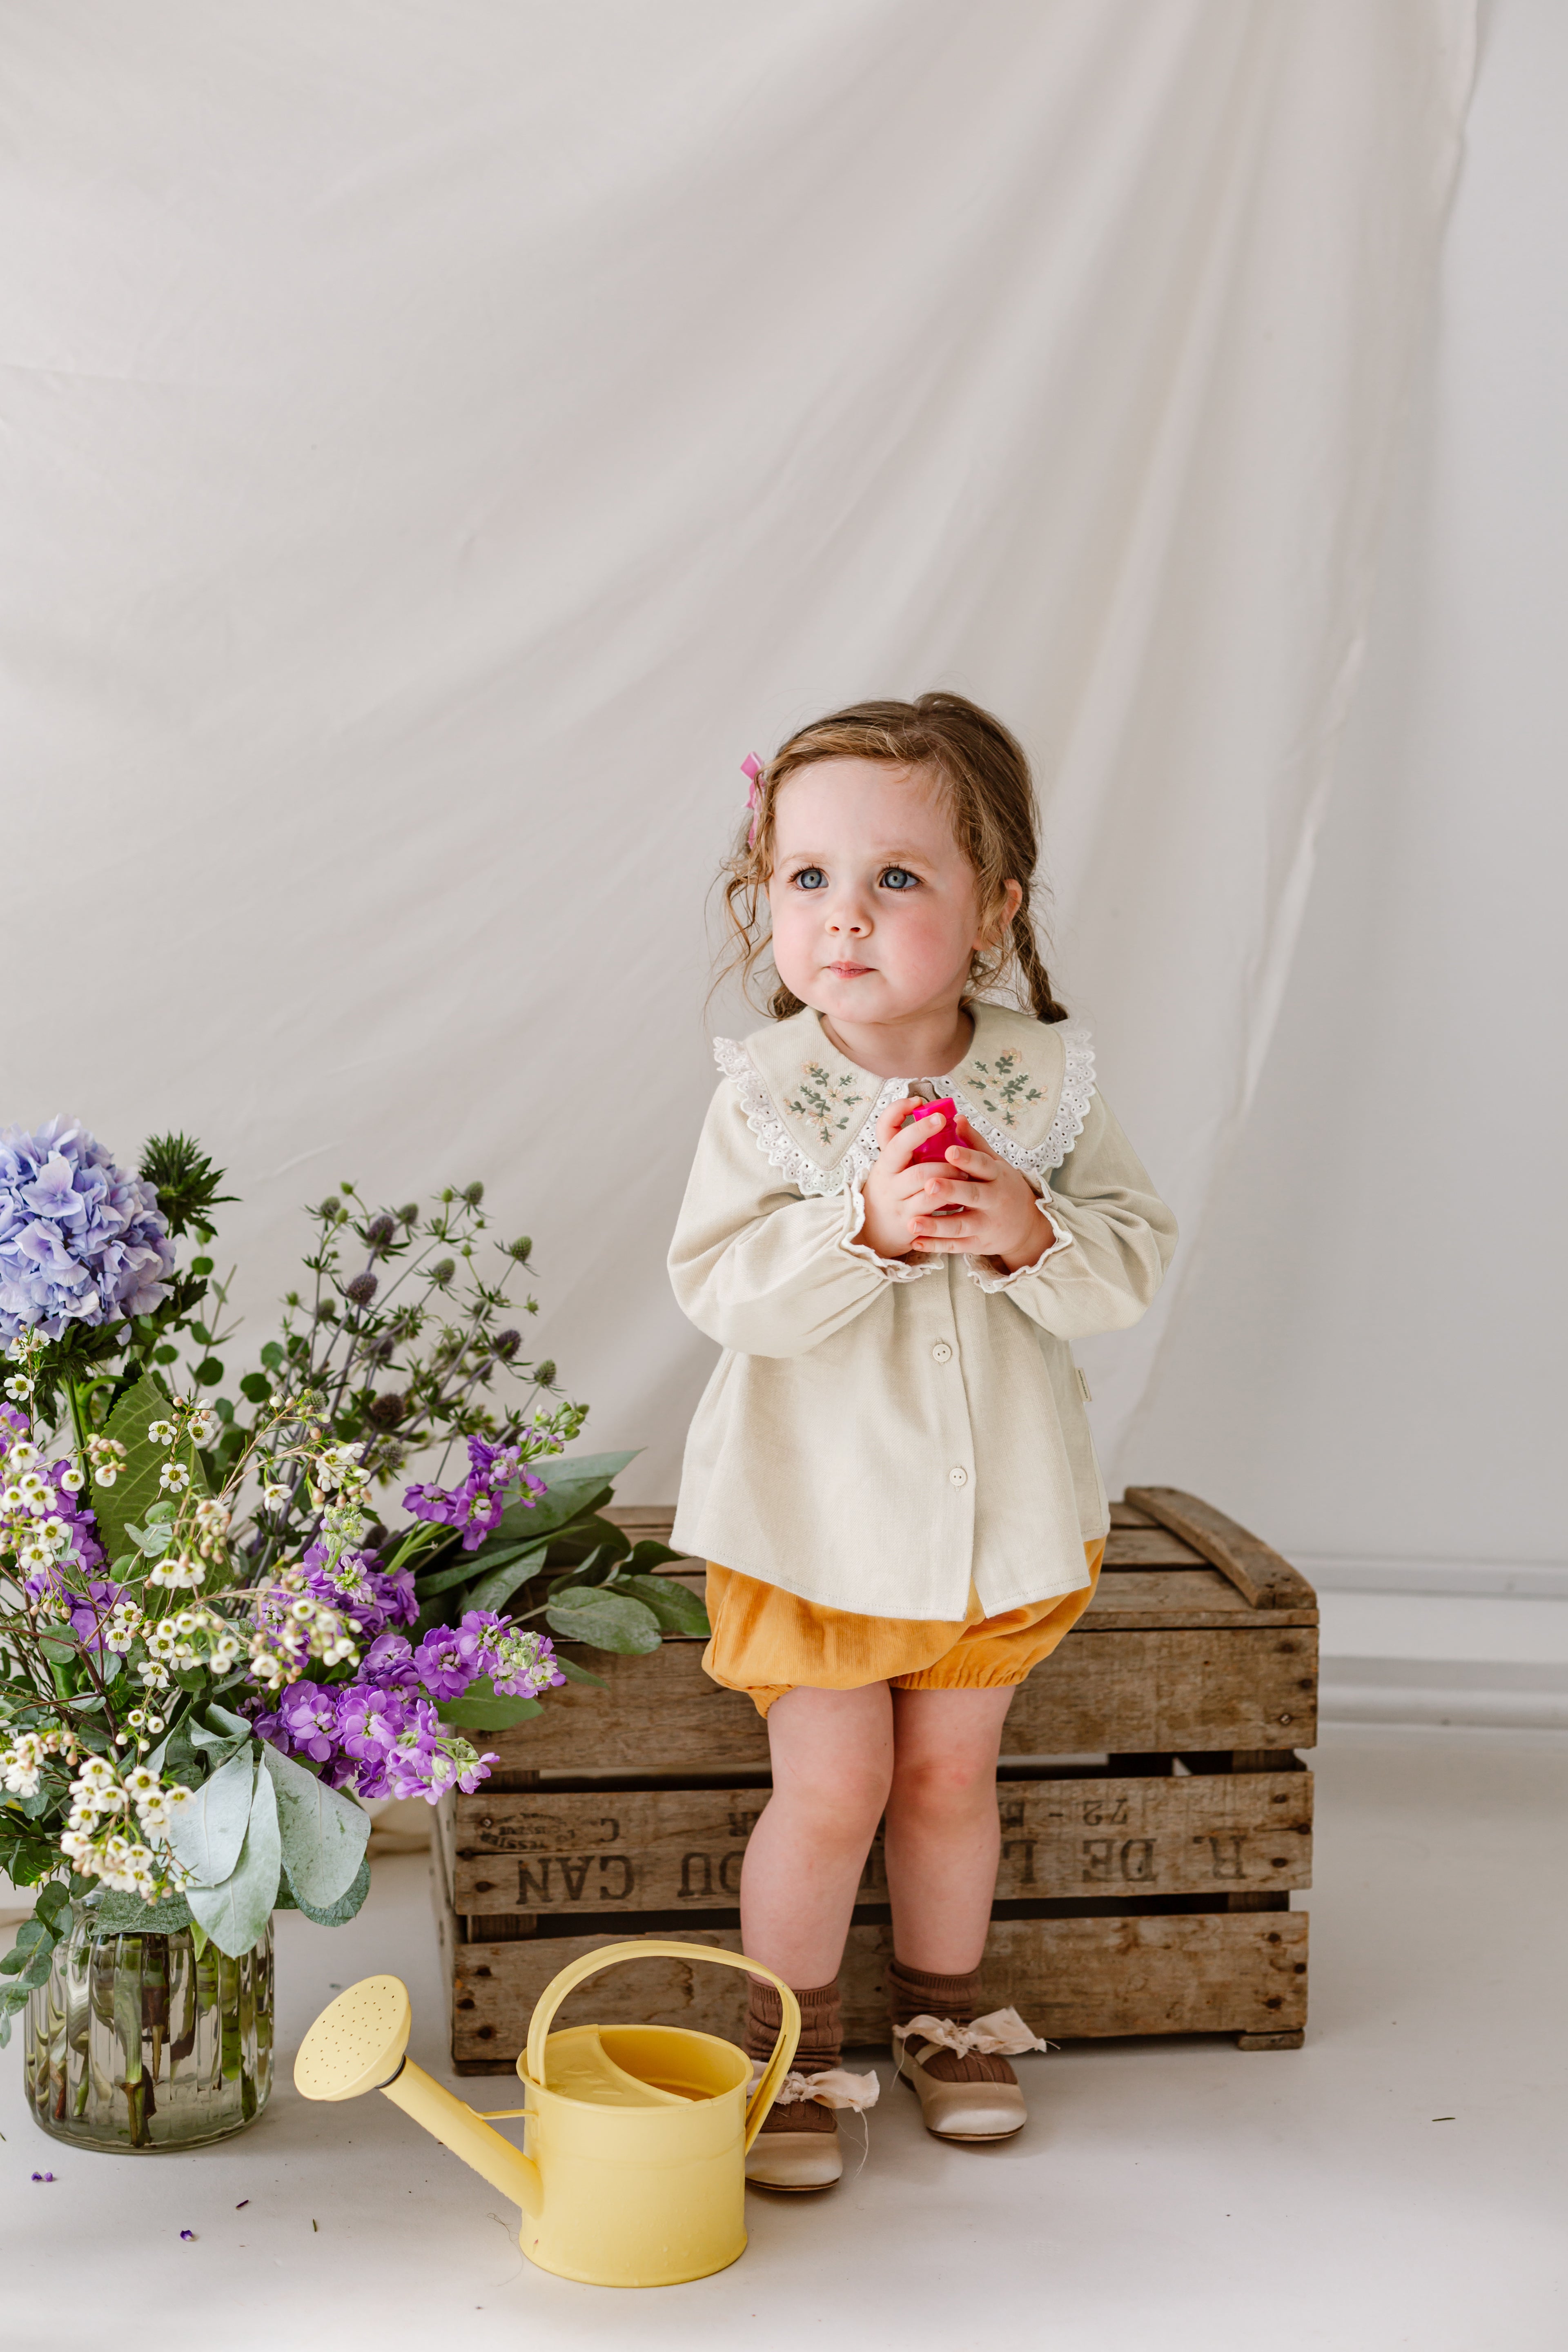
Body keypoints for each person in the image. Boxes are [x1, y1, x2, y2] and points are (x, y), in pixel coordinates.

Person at [668, 693, 1177, 2190]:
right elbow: (718, 1286)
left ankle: (946, 2016)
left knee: (952, 1783)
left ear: (994, 908)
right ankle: (795, 2046)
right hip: (815, 1524)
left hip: (993, 1520)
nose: (845, 915)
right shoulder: (770, 1097)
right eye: (808, 878)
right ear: (766, 895)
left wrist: (1033, 1227)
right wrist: (860, 1229)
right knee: (833, 1791)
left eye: (896, 877)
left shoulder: (1044, 1082)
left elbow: (1134, 1260)